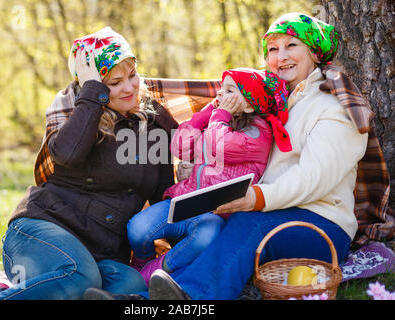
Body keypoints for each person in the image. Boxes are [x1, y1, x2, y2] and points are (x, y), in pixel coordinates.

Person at [85, 12, 369, 300]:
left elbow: (313, 178)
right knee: (225, 227)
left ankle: (193, 297)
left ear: (314, 51)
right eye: (273, 49)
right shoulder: (276, 105)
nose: (280, 56)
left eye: (291, 45)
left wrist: (257, 198)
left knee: (248, 224)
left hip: (321, 224)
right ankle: (143, 300)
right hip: (273, 213)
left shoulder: (332, 108)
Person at [0, 26, 178, 300]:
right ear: (92, 86)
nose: (129, 87)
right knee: (79, 277)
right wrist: (91, 95)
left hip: (101, 254)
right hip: (40, 232)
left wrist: (186, 247)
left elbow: (162, 193)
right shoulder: (77, 113)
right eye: (114, 83)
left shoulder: (155, 121)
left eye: (132, 75)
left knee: (131, 286)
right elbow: (66, 155)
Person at [126, 68, 290, 286]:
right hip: (185, 202)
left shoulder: (258, 133)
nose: (221, 95)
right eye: (221, 89)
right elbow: (179, 146)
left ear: (250, 104)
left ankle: (156, 271)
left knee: (206, 237)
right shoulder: (217, 120)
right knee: (137, 229)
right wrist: (207, 112)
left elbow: (217, 145)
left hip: (216, 215)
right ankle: (141, 263)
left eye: (230, 90)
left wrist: (219, 115)